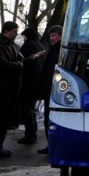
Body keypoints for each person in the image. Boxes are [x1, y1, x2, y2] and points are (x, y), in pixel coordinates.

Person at [0, 21, 23, 157]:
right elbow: (1, 65)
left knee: (5, 119)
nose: (16, 34)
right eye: (14, 31)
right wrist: (18, 66)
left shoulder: (11, 46)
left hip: (11, 87)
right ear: (6, 31)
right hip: (1, 87)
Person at [35, 25, 62, 154]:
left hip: (55, 90)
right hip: (49, 90)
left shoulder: (61, 50)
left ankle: (54, 145)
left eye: (54, 36)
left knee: (53, 118)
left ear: (61, 36)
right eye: (50, 36)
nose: (51, 38)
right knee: (48, 118)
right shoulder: (52, 49)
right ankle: (50, 144)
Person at [17, 28, 44, 144]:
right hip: (37, 82)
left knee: (25, 108)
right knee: (31, 107)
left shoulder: (27, 46)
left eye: (24, 37)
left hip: (27, 82)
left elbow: (20, 62)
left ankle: (30, 134)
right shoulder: (41, 46)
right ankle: (33, 131)